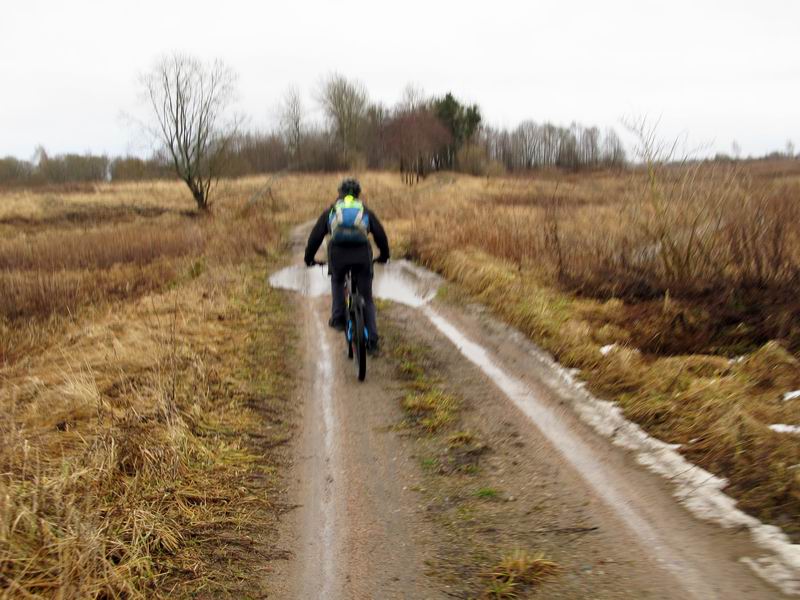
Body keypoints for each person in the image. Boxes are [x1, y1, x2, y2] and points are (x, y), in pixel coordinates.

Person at [304, 178, 390, 353]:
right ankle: (372, 341)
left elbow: (315, 237)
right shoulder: (365, 210)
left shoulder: (332, 211)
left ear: (340, 193)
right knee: (366, 297)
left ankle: (338, 318)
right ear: (358, 194)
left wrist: (309, 258)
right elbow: (380, 235)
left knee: (337, 280)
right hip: (362, 255)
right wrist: (384, 255)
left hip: (338, 255)